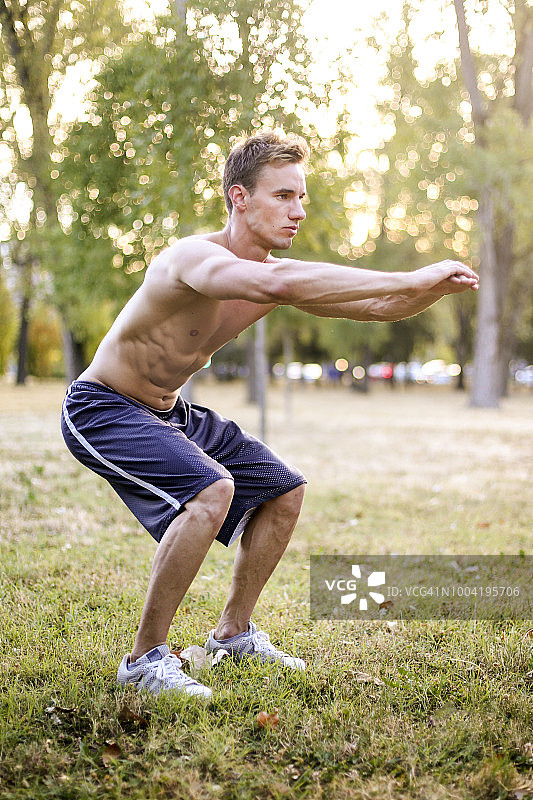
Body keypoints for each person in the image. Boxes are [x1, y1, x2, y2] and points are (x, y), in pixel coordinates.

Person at [61, 131, 479, 699]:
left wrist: (430, 289)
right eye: (284, 196)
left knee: (283, 491)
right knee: (212, 491)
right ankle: (144, 660)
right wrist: (410, 275)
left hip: (170, 409)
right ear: (239, 197)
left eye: (302, 198)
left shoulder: (274, 273)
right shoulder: (193, 258)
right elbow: (275, 281)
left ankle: (231, 637)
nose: (298, 211)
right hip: (105, 408)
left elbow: (378, 306)